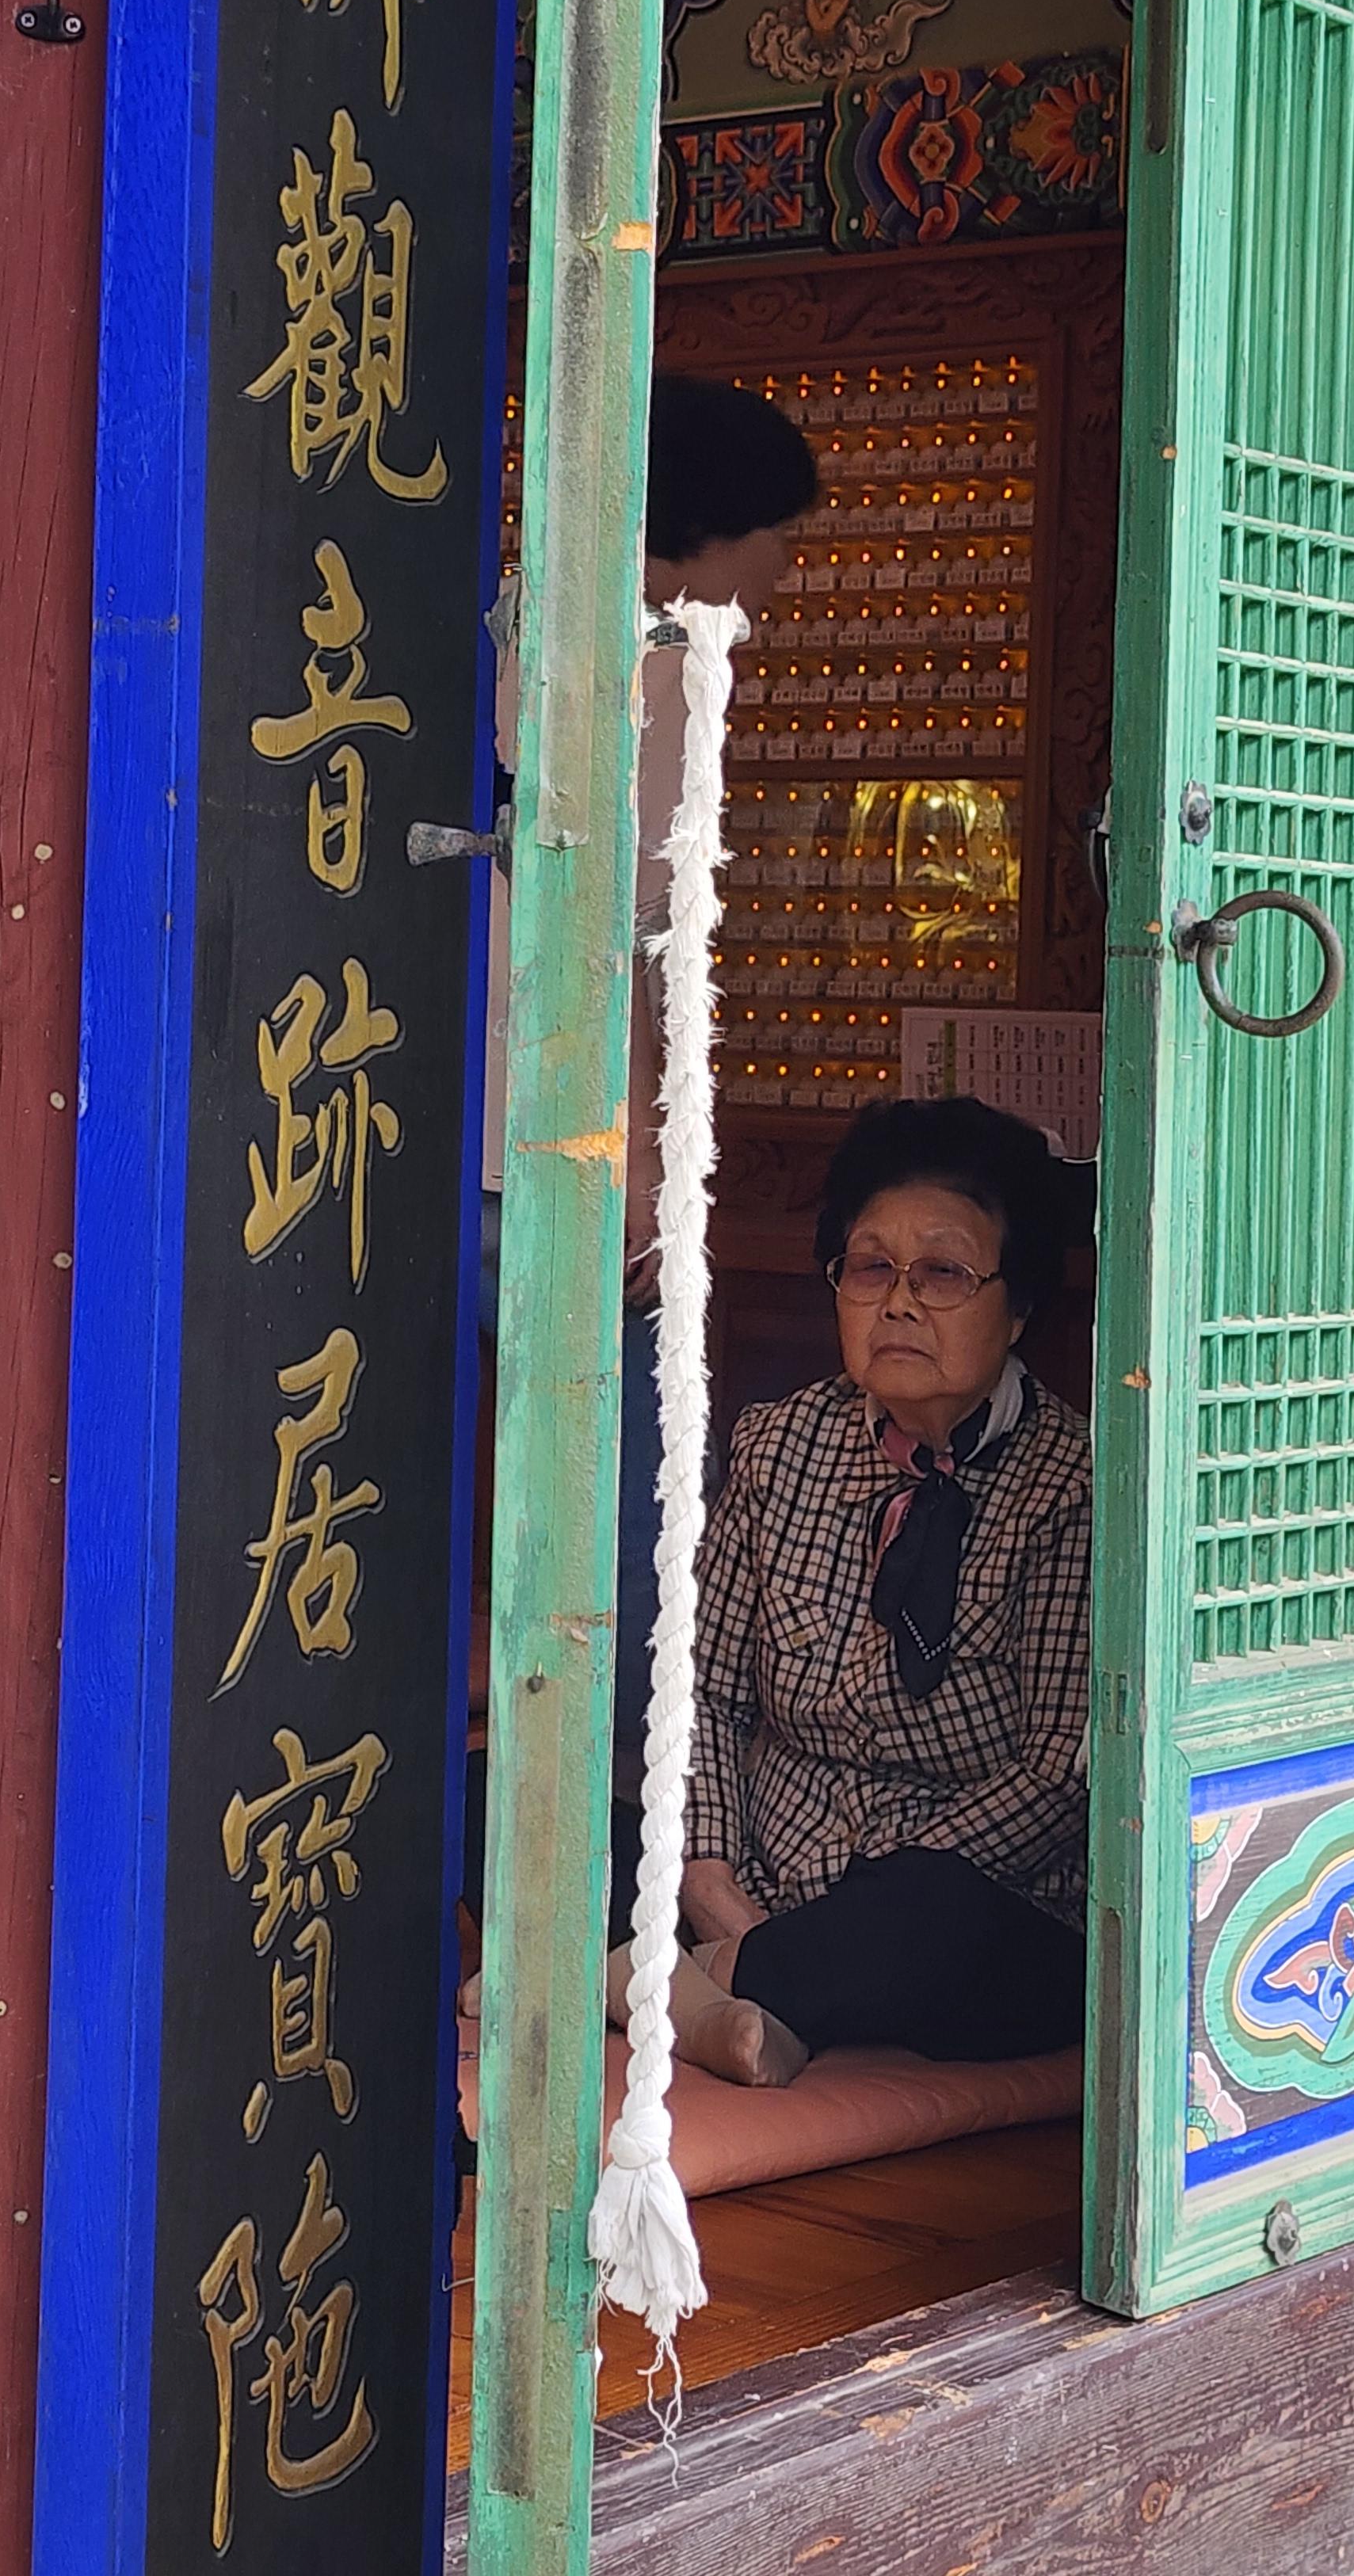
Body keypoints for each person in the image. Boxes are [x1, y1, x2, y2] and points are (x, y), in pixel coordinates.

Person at [479, 374, 824, 1779]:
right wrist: (638, 1170)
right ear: (711, 531)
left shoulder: (512, 614)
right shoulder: (659, 656)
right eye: (782, 541)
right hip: (568, 1160)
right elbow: (617, 932)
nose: (786, 576)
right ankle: (614, 1825)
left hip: (440, 1138)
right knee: (614, 1507)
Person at [628, 1095, 1090, 2086]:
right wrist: (710, 1878)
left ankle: (670, 1983)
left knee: (940, 1929)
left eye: (944, 1273)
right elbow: (703, 1690)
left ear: (1018, 1307)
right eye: (871, 1267)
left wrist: (858, 1904)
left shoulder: (1074, 1484)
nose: (899, 1303)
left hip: (958, 1892)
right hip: (763, 1854)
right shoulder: (780, 1445)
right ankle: (742, 1988)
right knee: (514, 1800)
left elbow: (1060, 1771)